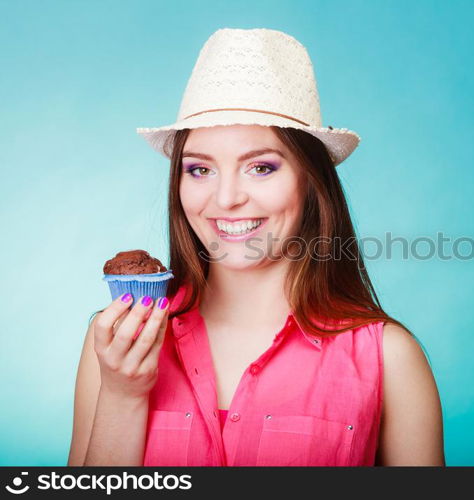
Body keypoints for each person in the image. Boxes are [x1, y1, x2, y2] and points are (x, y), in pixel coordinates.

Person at [68, 28, 444, 466]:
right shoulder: (117, 343)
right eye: (200, 169)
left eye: (261, 167)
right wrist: (123, 395)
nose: (226, 198)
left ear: (311, 182)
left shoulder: (390, 357)